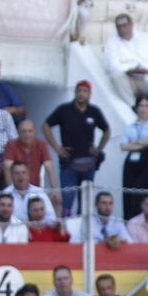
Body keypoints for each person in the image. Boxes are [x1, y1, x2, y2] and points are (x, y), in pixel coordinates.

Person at [42, 81, 108, 215]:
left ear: (89, 94)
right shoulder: (64, 110)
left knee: (85, 202)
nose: (81, 93)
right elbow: (45, 125)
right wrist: (56, 147)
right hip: (68, 163)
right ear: (75, 92)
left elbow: (107, 130)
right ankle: (66, 231)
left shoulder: (94, 111)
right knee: (67, 200)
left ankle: (82, 233)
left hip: (88, 164)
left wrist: (99, 148)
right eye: (79, 90)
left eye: (84, 91)